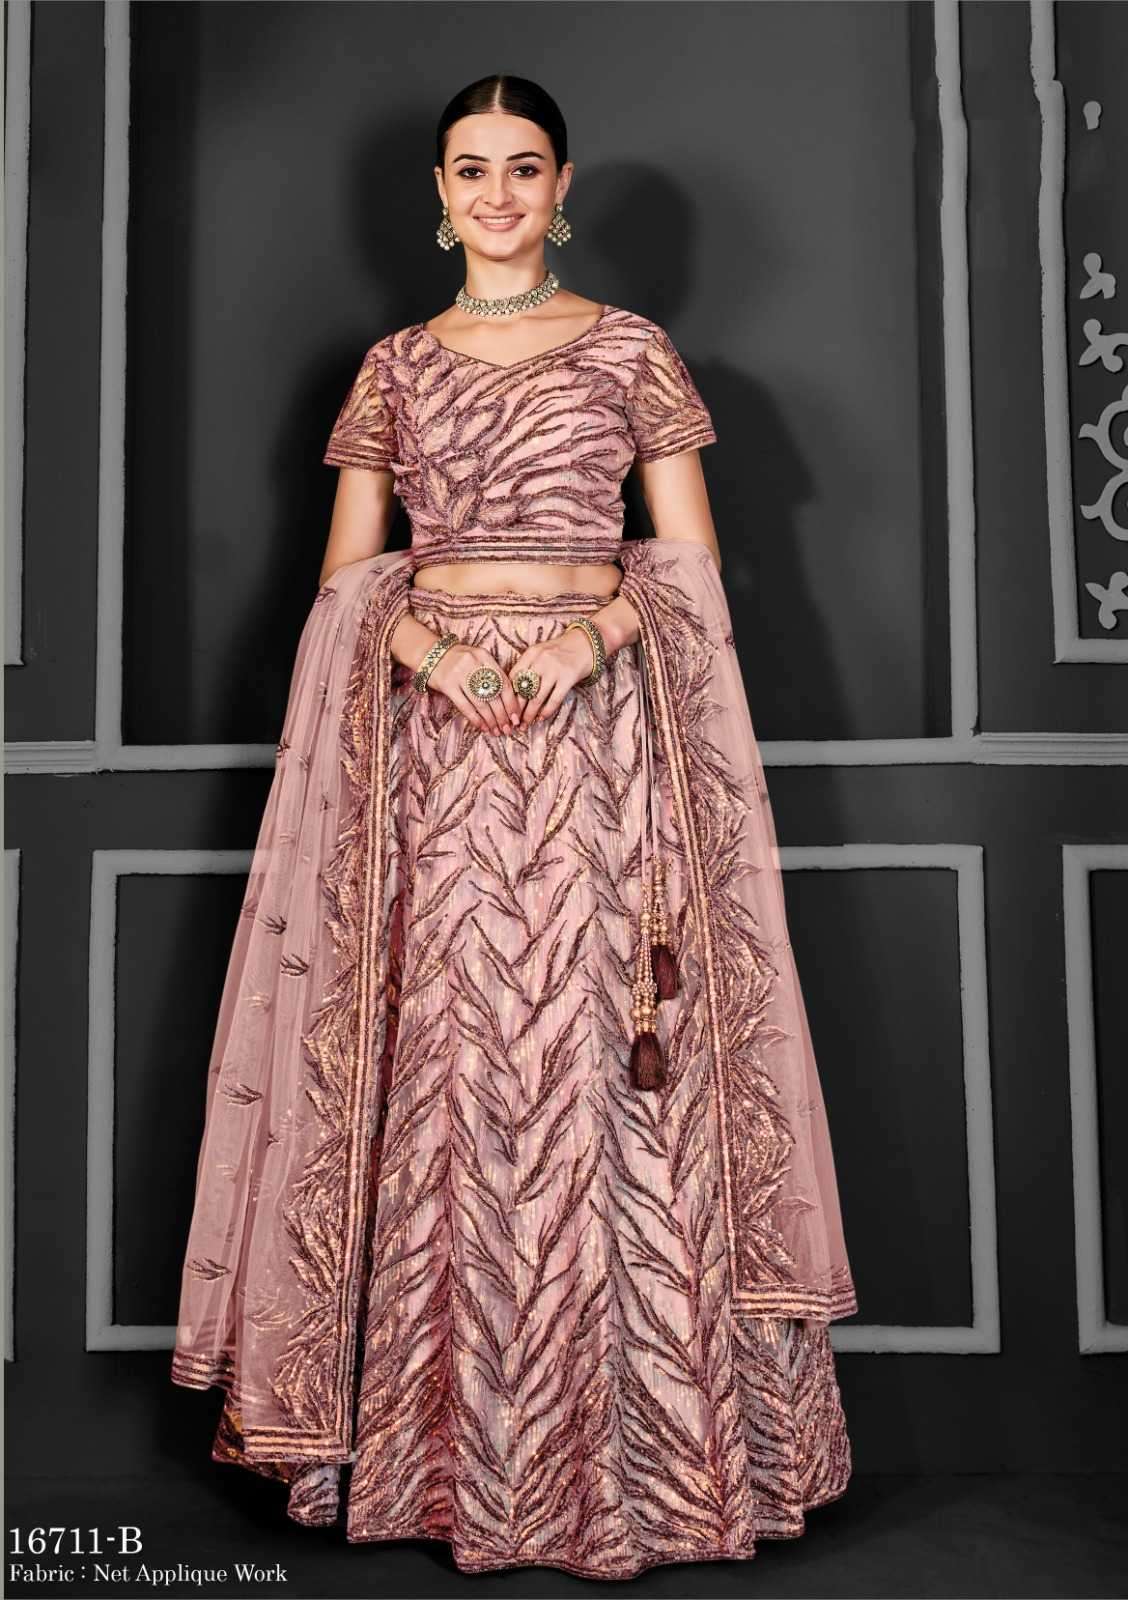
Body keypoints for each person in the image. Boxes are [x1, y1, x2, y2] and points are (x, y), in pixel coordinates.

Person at [170, 72, 858, 1581]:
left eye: (525, 167)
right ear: (439, 194)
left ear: (563, 188)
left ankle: (650, 1468)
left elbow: (689, 566)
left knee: (612, 1055)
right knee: (452, 1053)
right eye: (471, 169)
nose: (498, 194)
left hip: (602, 744)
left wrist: (582, 643)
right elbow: (349, 580)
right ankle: (439, 1465)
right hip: (434, 752)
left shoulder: (631, 351)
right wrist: (426, 652)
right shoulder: (394, 368)